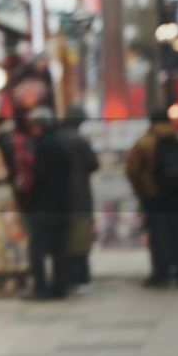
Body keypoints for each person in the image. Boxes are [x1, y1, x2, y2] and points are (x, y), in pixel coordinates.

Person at [126, 109, 178, 288]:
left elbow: (132, 170)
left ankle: (161, 273)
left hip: (153, 196)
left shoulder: (144, 142)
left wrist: (141, 192)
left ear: (151, 121)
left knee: (159, 235)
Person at [26, 107, 73, 299]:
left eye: (34, 126)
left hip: (45, 205)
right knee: (59, 247)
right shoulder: (61, 144)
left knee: (38, 248)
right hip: (62, 204)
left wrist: (31, 196)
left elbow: (40, 177)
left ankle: (41, 287)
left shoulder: (43, 146)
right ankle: (60, 286)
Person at [59, 106, 100, 289]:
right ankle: (81, 277)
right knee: (81, 239)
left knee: (66, 239)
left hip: (62, 197)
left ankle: (67, 276)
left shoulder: (58, 138)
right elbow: (93, 164)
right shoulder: (79, 140)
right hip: (79, 196)